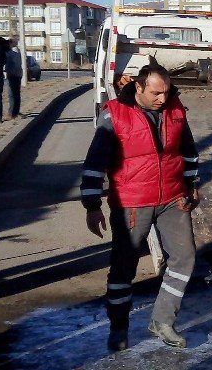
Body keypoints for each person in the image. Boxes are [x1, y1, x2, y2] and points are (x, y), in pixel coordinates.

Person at [80, 62, 201, 351]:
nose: (162, 99)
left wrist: (191, 185)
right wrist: (92, 204)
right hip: (132, 203)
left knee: (185, 259)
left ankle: (163, 321)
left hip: (172, 198)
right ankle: (118, 328)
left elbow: (188, 150)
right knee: (124, 267)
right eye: (156, 93)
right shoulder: (115, 115)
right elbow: (95, 161)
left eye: (166, 92)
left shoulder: (175, 109)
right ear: (139, 87)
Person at [4, 39, 23, 120]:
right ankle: (16, 111)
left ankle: (11, 113)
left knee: (12, 94)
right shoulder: (18, 52)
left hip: (11, 75)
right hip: (18, 75)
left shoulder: (9, 53)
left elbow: (7, 65)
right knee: (17, 94)